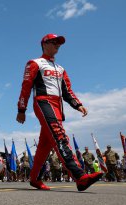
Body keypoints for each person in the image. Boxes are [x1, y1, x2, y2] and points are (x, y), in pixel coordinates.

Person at [16, 33, 103, 191]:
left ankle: (35, 178)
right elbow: (26, 86)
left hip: (58, 106)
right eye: (54, 42)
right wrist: (21, 109)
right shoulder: (34, 63)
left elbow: (67, 91)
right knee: (59, 135)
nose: (57, 45)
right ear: (44, 44)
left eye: (59, 43)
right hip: (43, 102)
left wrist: (78, 105)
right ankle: (80, 176)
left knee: (45, 145)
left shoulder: (61, 69)